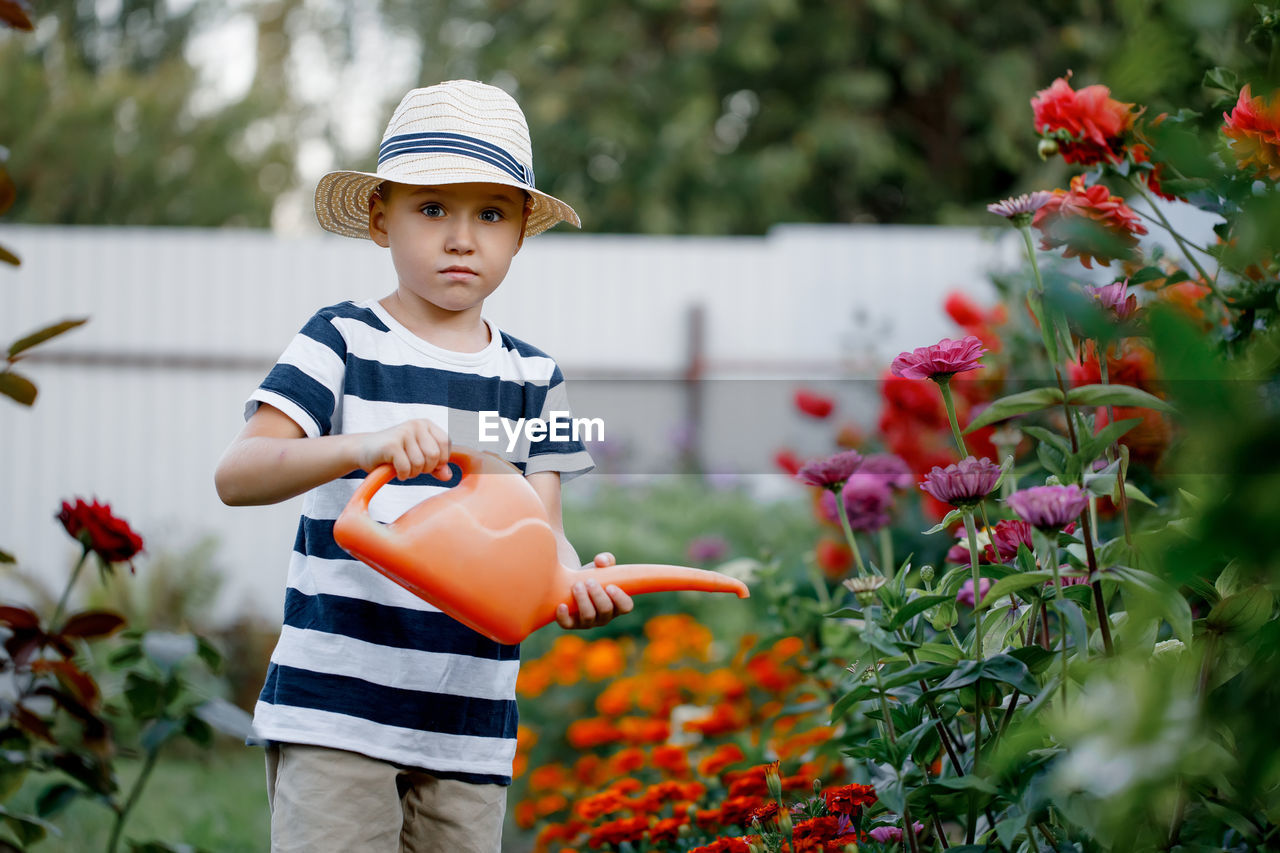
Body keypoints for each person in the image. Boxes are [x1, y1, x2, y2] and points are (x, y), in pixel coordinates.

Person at [213, 79, 633, 853]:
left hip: (468, 727)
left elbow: (544, 537)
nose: (461, 237)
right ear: (381, 219)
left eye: (491, 214)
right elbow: (239, 474)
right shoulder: (339, 341)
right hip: (336, 711)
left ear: (518, 235)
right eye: (433, 208)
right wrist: (361, 447)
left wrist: (572, 583)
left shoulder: (537, 380)